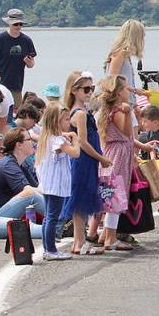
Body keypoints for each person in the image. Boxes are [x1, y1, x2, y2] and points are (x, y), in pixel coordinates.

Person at [62, 71, 111, 255]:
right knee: (81, 199)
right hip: (84, 161)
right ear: (74, 91)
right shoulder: (80, 113)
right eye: (86, 89)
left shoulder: (79, 111)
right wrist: (101, 158)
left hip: (86, 160)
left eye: (91, 88)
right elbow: (83, 142)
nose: (90, 92)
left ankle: (79, 241)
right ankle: (80, 242)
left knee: (81, 200)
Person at [91, 75, 135, 252]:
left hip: (112, 151)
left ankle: (103, 234)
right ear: (117, 93)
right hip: (118, 154)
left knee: (109, 193)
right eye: (125, 89)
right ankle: (111, 237)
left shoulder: (105, 111)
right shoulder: (117, 112)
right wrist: (128, 113)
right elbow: (126, 132)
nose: (128, 91)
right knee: (114, 195)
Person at [34, 103, 78, 258]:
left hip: (48, 184)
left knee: (48, 216)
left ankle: (48, 248)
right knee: (53, 217)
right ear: (56, 122)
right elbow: (75, 153)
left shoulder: (47, 138)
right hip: (56, 185)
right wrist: (75, 139)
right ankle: (51, 250)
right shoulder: (57, 141)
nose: (69, 122)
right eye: (66, 119)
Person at [0, 127, 45, 217]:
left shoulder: (22, 163)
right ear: (19, 145)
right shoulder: (8, 164)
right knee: (31, 196)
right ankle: (60, 219)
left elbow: (36, 187)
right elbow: (28, 192)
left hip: (7, 212)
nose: (33, 142)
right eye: (29, 139)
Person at [0, 9, 37, 109]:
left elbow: (31, 64)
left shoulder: (26, 40)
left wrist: (29, 62)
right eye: (15, 24)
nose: (18, 27)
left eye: (20, 24)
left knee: (15, 112)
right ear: (9, 23)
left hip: (16, 85)